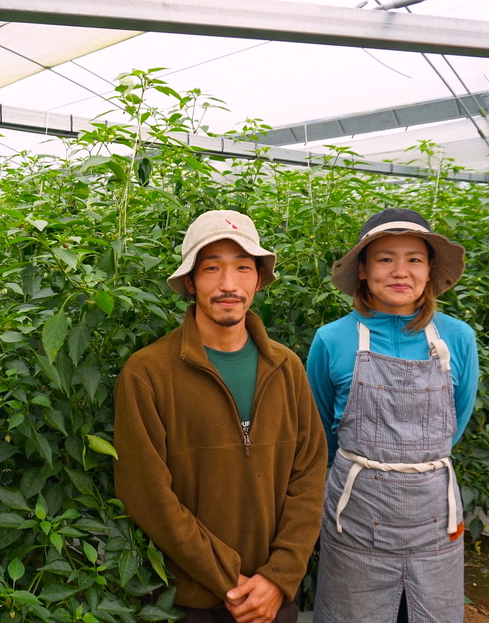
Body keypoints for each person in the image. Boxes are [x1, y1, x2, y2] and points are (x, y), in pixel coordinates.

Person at [113, 210, 327, 623]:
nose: (228, 284)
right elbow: (148, 495)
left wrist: (278, 578)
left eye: (243, 268)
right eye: (212, 268)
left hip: (274, 601)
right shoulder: (148, 373)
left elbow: (309, 476)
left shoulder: (286, 368)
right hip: (190, 602)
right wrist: (231, 581)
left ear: (259, 279)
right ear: (190, 282)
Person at [307, 208, 479, 623]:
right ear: (363, 270)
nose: (400, 271)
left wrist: (409, 466)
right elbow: (318, 437)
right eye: (385, 258)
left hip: (434, 517)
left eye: (414, 259)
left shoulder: (457, 338)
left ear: (430, 269)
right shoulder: (331, 339)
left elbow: (455, 422)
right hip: (356, 516)